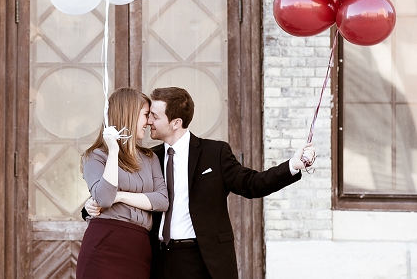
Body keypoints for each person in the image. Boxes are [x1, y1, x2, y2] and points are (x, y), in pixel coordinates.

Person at [86, 86, 316, 279]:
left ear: (176, 122)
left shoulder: (214, 153)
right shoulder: (149, 157)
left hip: (203, 258)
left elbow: (252, 183)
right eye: (148, 116)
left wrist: (292, 166)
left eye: (154, 116)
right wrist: (89, 207)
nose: (148, 122)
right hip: (156, 258)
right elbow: (114, 189)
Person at [77, 87, 169, 279]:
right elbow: (104, 198)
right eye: (146, 115)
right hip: (105, 242)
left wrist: (120, 196)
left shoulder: (149, 157)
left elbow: (162, 201)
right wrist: (113, 151)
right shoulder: (95, 156)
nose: (149, 122)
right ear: (130, 115)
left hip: (139, 246)